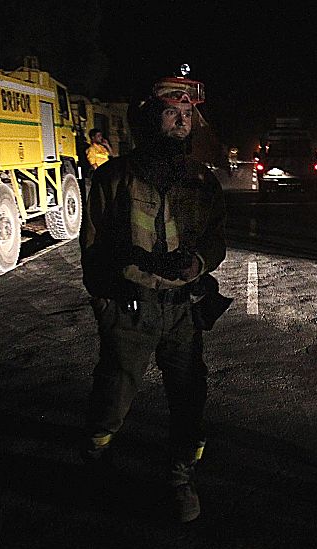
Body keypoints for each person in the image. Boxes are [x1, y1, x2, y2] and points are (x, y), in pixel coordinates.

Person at [79, 72, 228, 523]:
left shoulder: (203, 181)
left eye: (188, 115)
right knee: (113, 396)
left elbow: (216, 239)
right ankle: (95, 467)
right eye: (172, 113)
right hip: (130, 311)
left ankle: (180, 478)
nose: (181, 122)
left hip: (183, 312)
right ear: (150, 119)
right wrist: (108, 304)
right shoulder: (113, 178)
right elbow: (93, 248)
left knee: (190, 398)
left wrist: (197, 265)